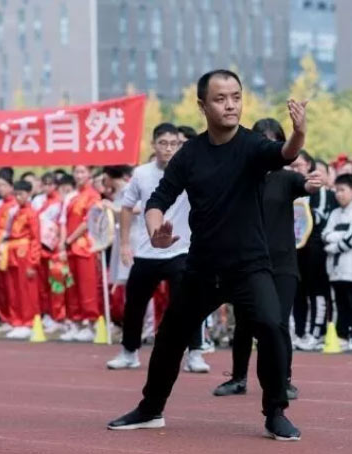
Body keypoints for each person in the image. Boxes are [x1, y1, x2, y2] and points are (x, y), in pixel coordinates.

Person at [107, 69, 306, 441]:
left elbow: (284, 154)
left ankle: (275, 412)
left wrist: (298, 132)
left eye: (236, 97)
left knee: (271, 326)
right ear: (203, 106)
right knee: (170, 336)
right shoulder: (190, 154)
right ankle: (151, 409)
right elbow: (158, 199)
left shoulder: (252, 146)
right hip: (202, 267)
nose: (230, 105)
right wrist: (155, 231)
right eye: (220, 98)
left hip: (250, 266)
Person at [212, 119, 320, 400]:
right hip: (247, 263)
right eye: (262, 140)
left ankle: (283, 380)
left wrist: (312, 185)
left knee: (278, 324)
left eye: (274, 141)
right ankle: (238, 378)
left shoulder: (287, 178)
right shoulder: (240, 179)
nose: (267, 147)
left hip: (282, 264)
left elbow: (305, 186)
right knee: (245, 323)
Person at [106, 124, 209, 373]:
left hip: (181, 250)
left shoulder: (191, 171)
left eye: (174, 144)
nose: (168, 148)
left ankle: (195, 353)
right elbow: (126, 207)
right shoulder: (141, 173)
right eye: (163, 143)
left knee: (189, 303)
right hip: (147, 251)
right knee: (134, 304)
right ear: (154, 145)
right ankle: (129, 352)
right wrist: (125, 244)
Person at [291, 156, 337, 351]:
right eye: (292, 165)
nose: (295, 169)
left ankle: (316, 333)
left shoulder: (327, 195)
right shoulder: (290, 190)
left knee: (317, 292)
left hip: (317, 252)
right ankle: (299, 332)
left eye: (299, 165)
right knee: (297, 293)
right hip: (294, 251)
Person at [322, 174, 352, 351]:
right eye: (337, 190)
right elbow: (325, 235)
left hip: (351, 266)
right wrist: (338, 237)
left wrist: (334, 246)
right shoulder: (334, 213)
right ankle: (342, 335)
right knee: (339, 303)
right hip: (334, 268)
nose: (339, 194)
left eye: (342, 190)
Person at [58, 165, 101, 342]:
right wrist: (63, 244)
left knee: (87, 286)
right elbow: (62, 221)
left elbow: (87, 222)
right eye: (76, 172)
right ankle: (75, 323)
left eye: (83, 172)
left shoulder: (93, 195)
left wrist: (69, 240)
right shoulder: (70, 196)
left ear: (89, 174)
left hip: (85, 247)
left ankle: (91, 324)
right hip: (69, 248)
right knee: (71, 287)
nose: (79, 175)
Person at [4, 180, 41, 339]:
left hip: (25, 254)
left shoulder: (32, 213)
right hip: (13, 252)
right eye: (16, 194)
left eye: (21, 194)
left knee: (26, 290)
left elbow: (35, 239)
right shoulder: (15, 212)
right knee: (13, 289)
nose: (18, 197)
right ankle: (16, 320)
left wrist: (33, 262)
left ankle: (28, 321)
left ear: (29, 194)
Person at [34, 172, 65, 333]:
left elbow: (63, 224)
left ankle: (58, 315)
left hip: (55, 247)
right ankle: (46, 314)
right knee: (42, 284)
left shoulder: (61, 201)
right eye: (45, 184)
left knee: (56, 283)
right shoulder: (37, 200)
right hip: (40, 246)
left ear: (56, 185)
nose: (47, 187)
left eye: (50, 184)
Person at [0, 170, 18, 334]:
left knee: (11, 286)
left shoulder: (15, 206)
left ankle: (15, 318)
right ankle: (5, 317)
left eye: (3, 185)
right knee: (1, 286)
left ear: (11, 187)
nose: (0, 188)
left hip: (8, 247)